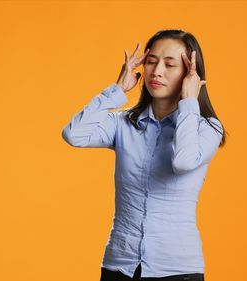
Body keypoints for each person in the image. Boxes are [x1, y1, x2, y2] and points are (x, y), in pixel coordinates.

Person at [61, 29, 227, 281]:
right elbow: (74, 134)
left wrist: (189, 102)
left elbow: (183, 161)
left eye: (170, 64)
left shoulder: (207, 127)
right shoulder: (123, 123)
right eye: (151, 62)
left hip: (176, 270)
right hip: (120, 266)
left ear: (190, 75)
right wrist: (117, 90)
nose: (157, 71)